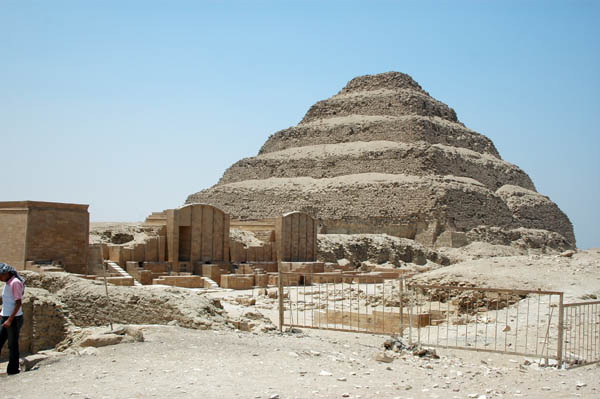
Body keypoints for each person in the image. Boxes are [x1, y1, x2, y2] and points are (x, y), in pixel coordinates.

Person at [0, 262, 25, 375]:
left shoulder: (15, 283)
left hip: (14, 319)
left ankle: (13, 370)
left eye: (1, 275)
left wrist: (10, 319)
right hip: (5, 316)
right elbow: (7, 301)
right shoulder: (7, 282)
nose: (0, 277)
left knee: (12, 345)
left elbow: (18, 303)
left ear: (7, 273)